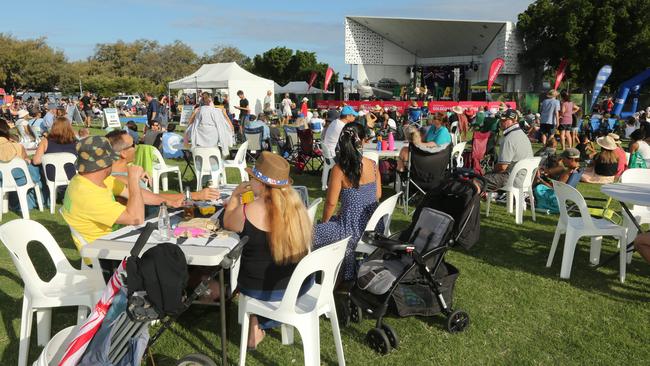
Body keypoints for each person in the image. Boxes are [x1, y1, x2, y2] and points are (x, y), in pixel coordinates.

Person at [223, 151, 312, 350]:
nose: (250, 181)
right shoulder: (298, 209)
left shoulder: (248, 210)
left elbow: (227, 222)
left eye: (252, 178)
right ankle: (260, 321)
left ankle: (257, 319)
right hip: (299, 284)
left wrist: (235, 196)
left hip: (258, 288)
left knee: (250, 273)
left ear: (260, 184)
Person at [314, 123, 381, 282]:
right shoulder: (372, 165)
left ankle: (322, 278)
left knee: (310, 233)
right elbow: (378, 194)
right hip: (373, 226)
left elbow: (330, 203)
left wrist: (324, 222)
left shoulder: (339, 169)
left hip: (350, 230)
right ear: (363, 141)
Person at [483, 109, 534, 192]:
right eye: (500, 120)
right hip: (527, 178)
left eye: (504, 120)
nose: (501, 122)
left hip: (514, 179)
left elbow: (502, 167)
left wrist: (491, 172)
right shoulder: (522, 134)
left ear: (514, 120)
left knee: (479, 180)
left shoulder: (509, 138)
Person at [0, 118, 44, 212]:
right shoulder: (18, 146)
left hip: (2, 180)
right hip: (19, 180)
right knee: (32, 169)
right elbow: (26, 161)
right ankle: (35, 201)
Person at [32, 116, 78, 195]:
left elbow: (36, 161)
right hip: (71, 175)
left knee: (33, 167)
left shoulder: (45, 141)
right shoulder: (76, 142)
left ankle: (42, 195)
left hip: (51, 176)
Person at [534, 148, 581, 213]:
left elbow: (556, 189)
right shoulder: (578, 169)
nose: (562, 160)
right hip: (567, 194)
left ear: (571, 159)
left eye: (564, 159)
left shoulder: (568, 172)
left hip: (557, 197)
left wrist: (540, 179)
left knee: (538, 187)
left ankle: (531, 199)